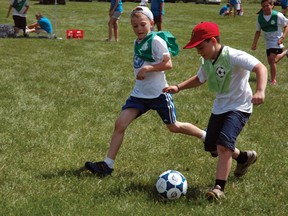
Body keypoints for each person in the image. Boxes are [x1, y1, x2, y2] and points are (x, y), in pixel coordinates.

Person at [83, 6, 206, 177]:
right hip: (139, 94)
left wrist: (148, 68)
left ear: (151, 23)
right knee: (120, 124)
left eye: (142, 24)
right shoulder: (137, 42)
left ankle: (205, 136)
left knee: (174, 127)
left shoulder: (155, 41)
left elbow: (168, 64)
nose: (139, 29)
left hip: (158, 94)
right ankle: (107, 165)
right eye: (135, 26)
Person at [163, 22, 267, 201]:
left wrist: (260, 90)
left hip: (239, 107)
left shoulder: (233, 56)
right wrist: (178, 87)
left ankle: (219, 188)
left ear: (212, 41)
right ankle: (243, 157)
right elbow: (200, 78)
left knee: (224, 146)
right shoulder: (207, 61)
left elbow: (260, 68)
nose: (198, 52)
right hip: (220, 107)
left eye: (201, 47)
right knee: (212, 145)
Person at [251, 0, 288, 85]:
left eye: (267, 6)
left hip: (277, 40)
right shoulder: (260, 18)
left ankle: (273, 80)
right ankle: (286, 52)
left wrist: (282, 37)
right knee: (272, 61)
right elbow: (258, 31)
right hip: (268, 41)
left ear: (272, 5)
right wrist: (254, 43)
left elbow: (286, 26)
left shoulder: (278, 15)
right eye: (263, 6)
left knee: (272, 60)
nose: (265, 8)